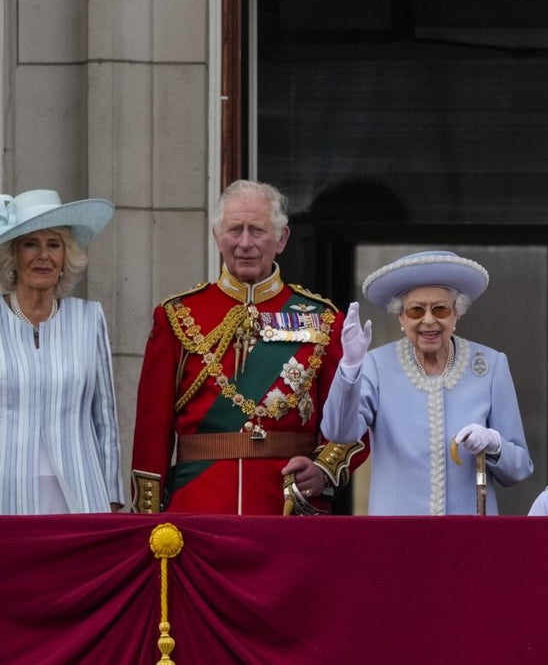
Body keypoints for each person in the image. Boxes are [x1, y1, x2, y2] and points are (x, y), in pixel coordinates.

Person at [131, 180, 364, 515]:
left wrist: (324, 469)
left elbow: (350, 415)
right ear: (216, 237)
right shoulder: (177, 315)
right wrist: (148, 517)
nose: (244, 243)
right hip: (198, 504)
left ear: (281, 239)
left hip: (286, 505)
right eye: (234, 230)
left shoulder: (324, 319)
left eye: (257, 230)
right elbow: (151, 430)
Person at [321, 250, 534, 515]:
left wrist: (495, 444)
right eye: (416, 310)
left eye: (440, 309)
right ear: (400, 317)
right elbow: (339, 432)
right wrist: (350, 367)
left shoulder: (490, 365)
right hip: (400, 534)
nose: (429, 320)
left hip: (468, 535)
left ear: (456, 314)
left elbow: (519, 469)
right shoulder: (376, 365)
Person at [0, 189, 122, 514]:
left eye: (53, 245)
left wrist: (111, 495)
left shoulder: (88, 319)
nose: (43, 256)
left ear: (66, 256)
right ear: (13, 255)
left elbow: (105, 418)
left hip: (80, 488)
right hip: (7, 488)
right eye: (30, 244)